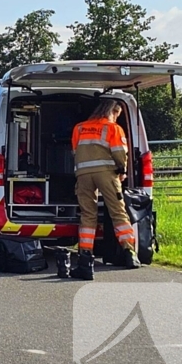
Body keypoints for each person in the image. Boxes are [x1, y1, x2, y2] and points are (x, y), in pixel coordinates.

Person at [70, 99, 139, 280]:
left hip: (83, 174)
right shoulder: (113, 128)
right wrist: (122, 171)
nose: (117, 118)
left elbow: (75, 151)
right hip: (106, 174)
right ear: (113, 112)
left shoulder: (79, 128)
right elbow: (119, 152)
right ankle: (129, 253)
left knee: (87, 214)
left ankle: (85, 255)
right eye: (117, 115)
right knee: (118, 211)